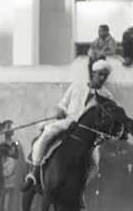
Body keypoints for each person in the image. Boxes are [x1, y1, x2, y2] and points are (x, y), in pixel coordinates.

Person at [22, 59, 114, 191]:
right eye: (100, 74)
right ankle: (34, 172)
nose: (103, 78)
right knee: (47, 133)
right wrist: (61, 111)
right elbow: (63, 104)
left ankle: (81, 190)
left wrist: (100, 136)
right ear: (93, 73)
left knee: (95, 162)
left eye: (105, 75)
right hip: (67, 123)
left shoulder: (108, 97)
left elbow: (107, 120)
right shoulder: (76, 86)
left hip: (87, 134)